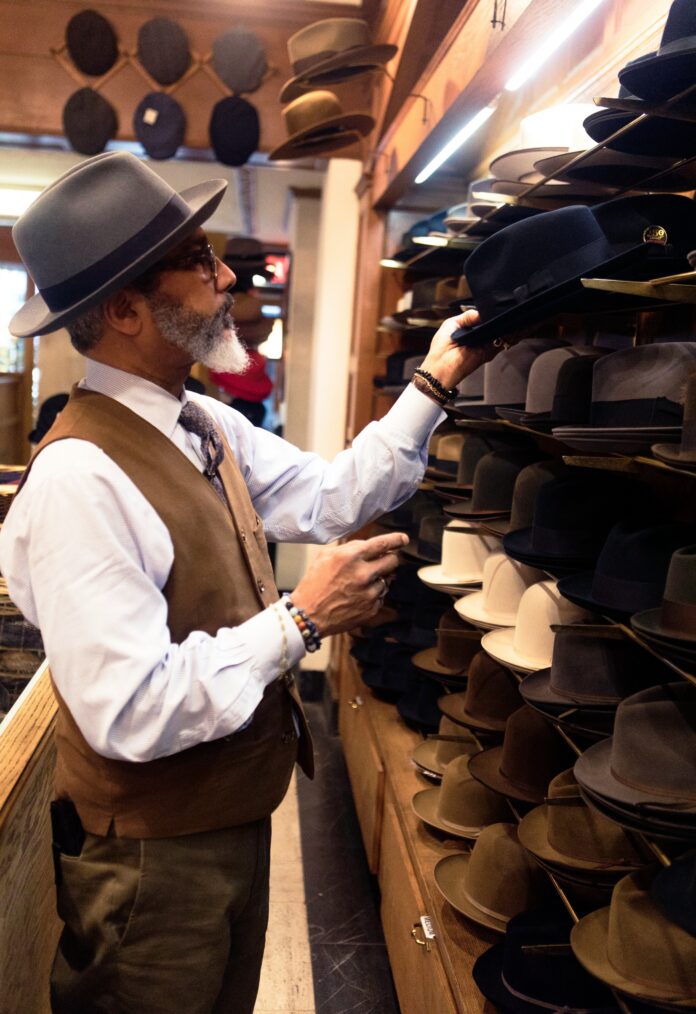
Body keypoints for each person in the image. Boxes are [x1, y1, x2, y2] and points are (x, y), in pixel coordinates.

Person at [0, 152, 486, 1014]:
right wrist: (301, 617)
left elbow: (333, 496)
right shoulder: (81, 479)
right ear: (123, 310)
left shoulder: (201, 421)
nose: (227, 276)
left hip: (225, 824)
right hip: (153, 867)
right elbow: (130, 710)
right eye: (197, 261)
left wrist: (436, 378)